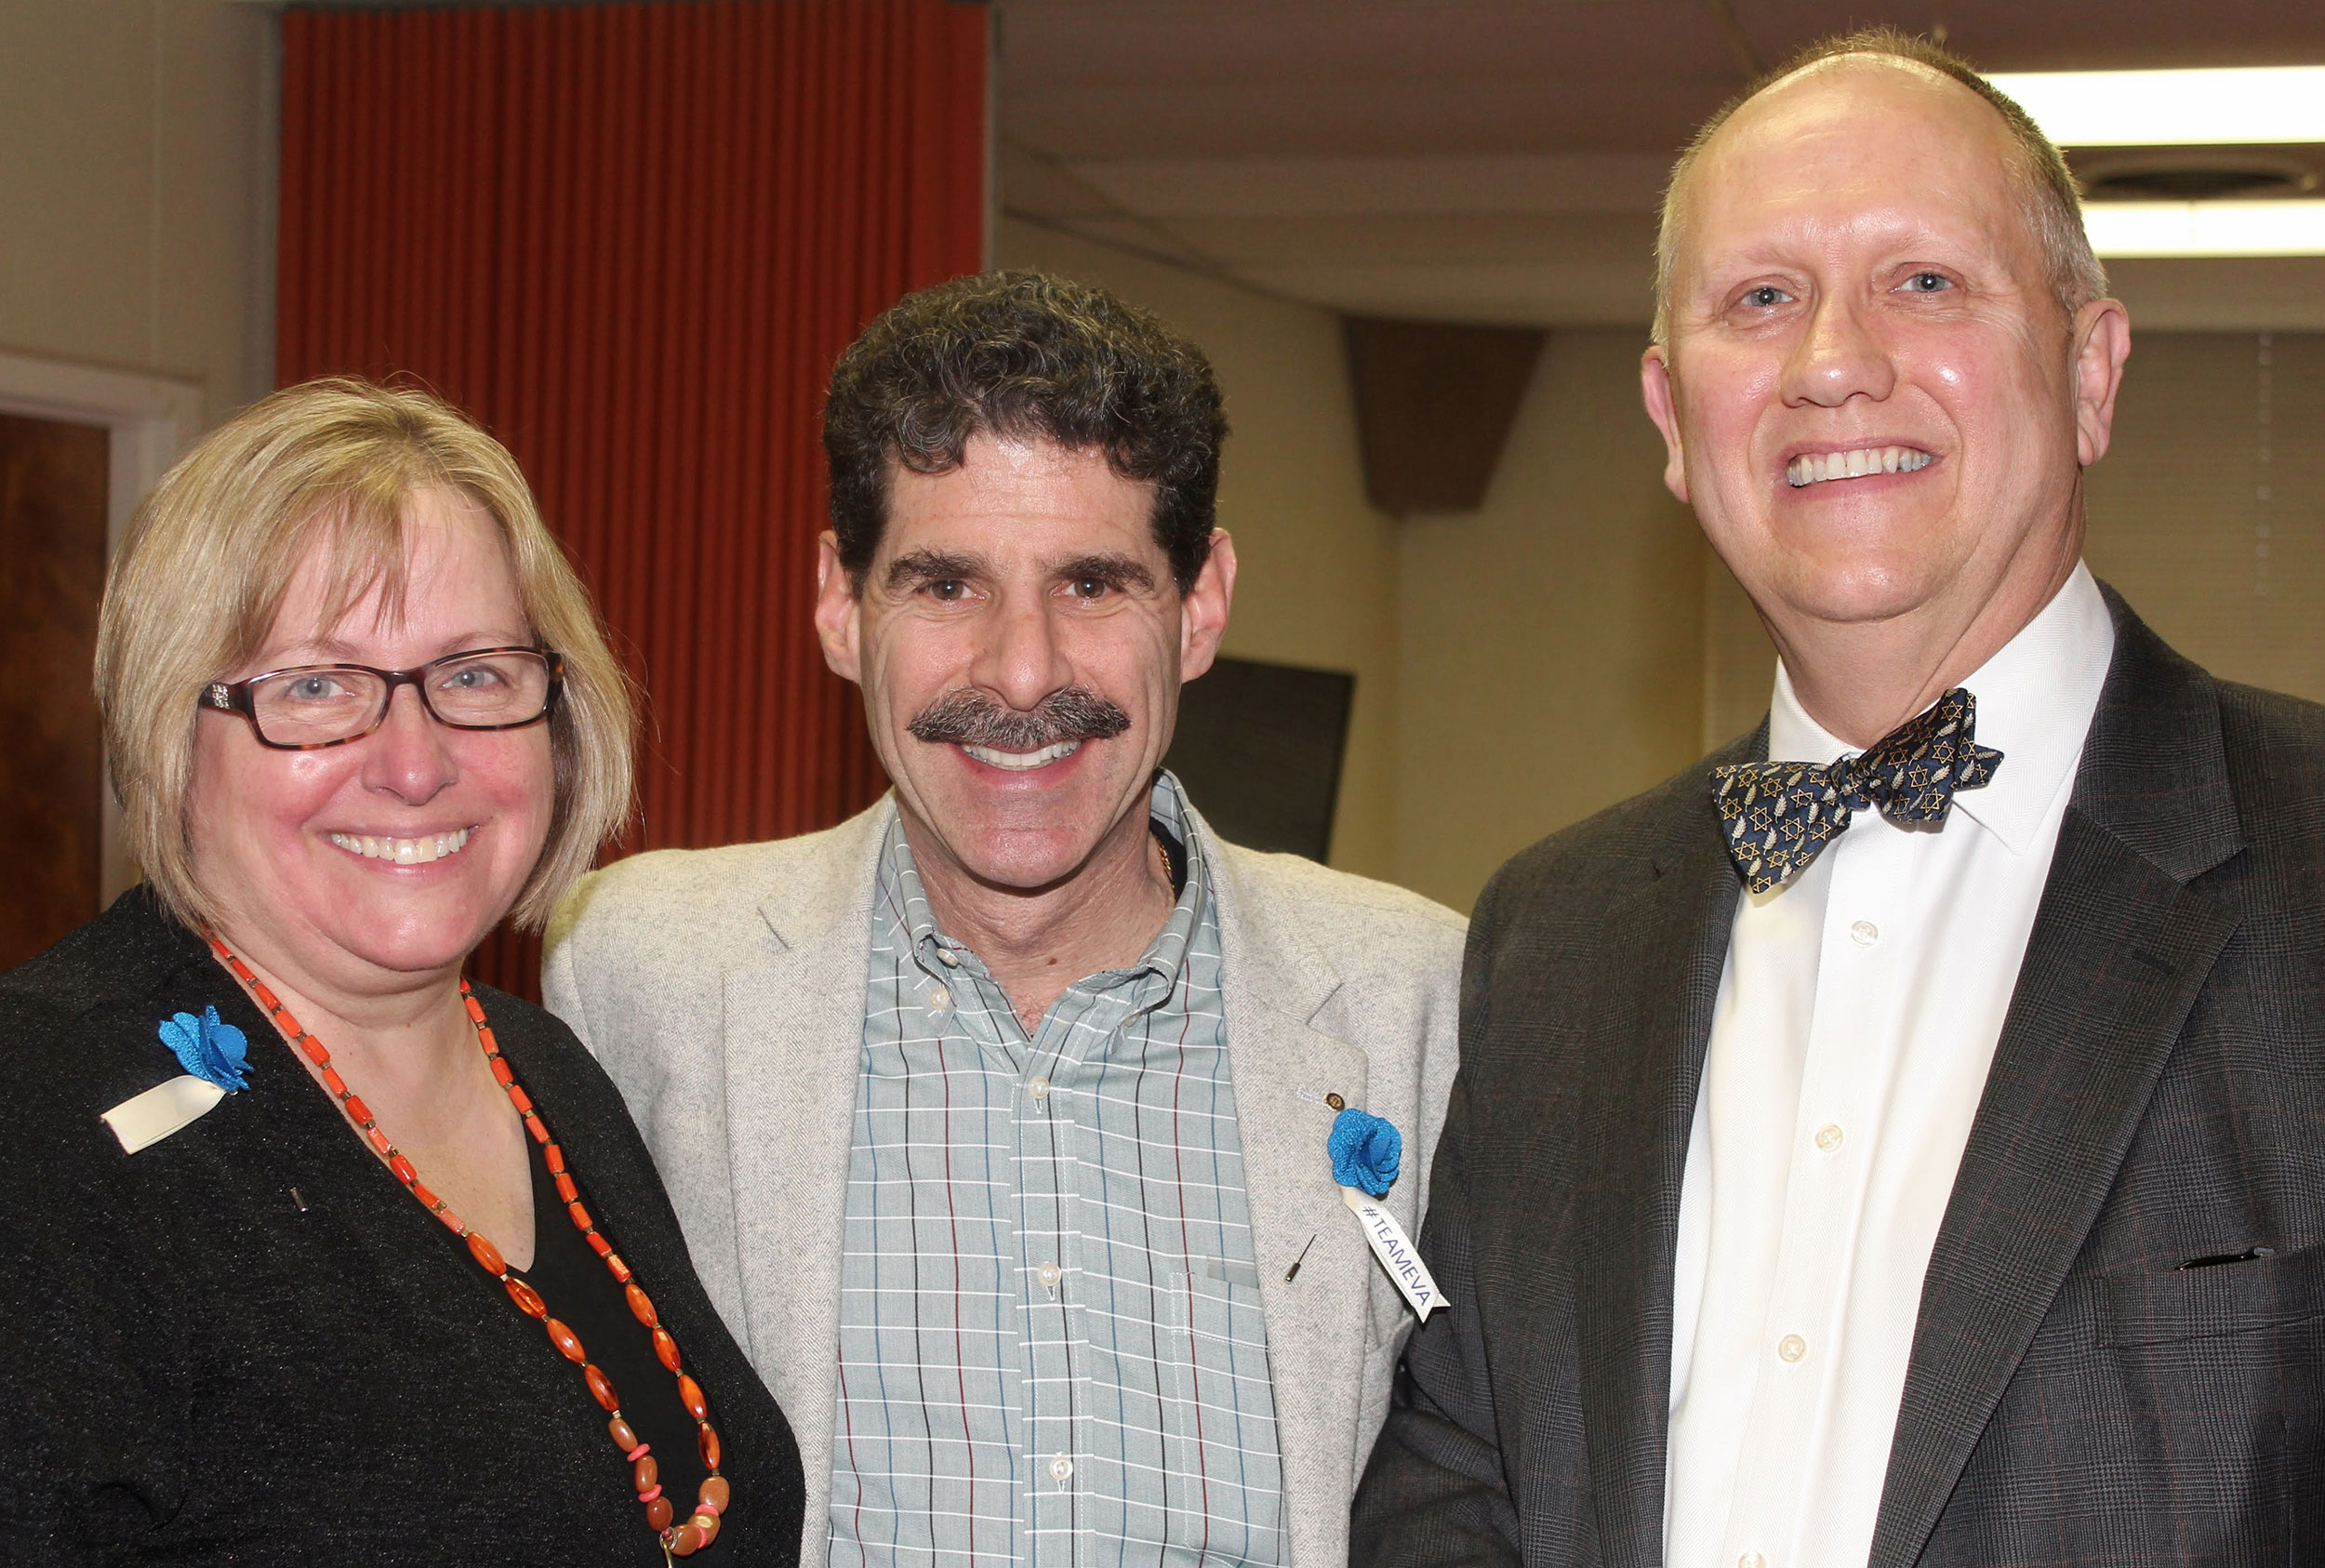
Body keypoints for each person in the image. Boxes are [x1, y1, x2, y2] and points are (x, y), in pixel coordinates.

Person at [1355, 27, 2325, 1568]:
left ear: (2089, 373)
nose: (1831, 363)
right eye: (1761, 299)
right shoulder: (1554, 934)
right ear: (1674, 422)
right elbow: (1455, 1476)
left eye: (1923, 281)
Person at [546, 270, 1466, 1568]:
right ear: (839, 604)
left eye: (1092, 585)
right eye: (945, 585)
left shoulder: (1418, 1001)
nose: (1022, 671)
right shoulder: (639, 976)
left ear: (1199, 606)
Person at [0, 379, 804, 1563]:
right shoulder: (38, 1118)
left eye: (473, 674)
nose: (415, 765)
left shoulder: (542, 1065)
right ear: (170, 730)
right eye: (315, 687)